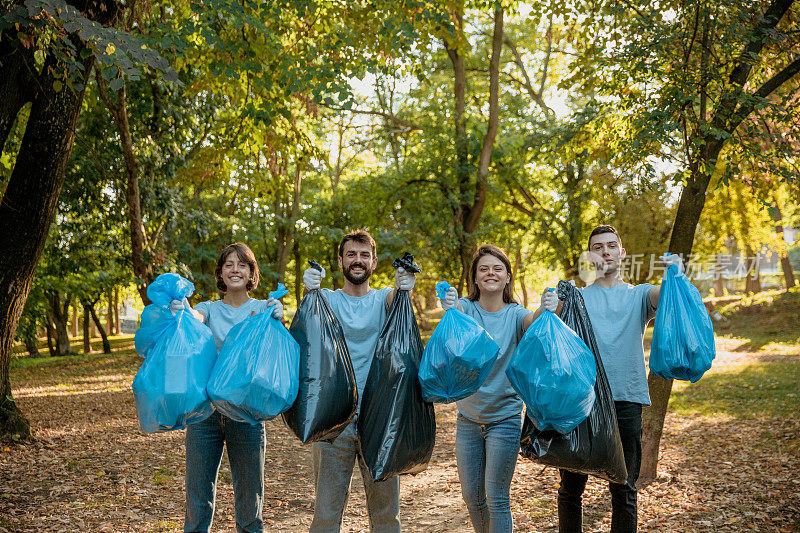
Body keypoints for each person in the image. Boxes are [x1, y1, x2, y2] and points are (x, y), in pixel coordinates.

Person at [541, 225, 684, 533]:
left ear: (622, 253)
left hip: (626, 400)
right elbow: (548, 331)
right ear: (590, 256)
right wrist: (548, 308)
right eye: (597, 247)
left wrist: (676, 275)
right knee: (570, 491)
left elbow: (667, 297)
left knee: (624, 489)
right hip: (581, 404)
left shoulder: (640, 294)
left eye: (610, 246)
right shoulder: (575, 298)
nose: (604, 252)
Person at [302, 229, 416, 533]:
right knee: (326, 514)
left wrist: (404, 287)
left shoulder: (383, 299)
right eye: (351, 254)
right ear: (340, 261)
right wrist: (309, 288)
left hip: (379, 422)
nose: (358, 260)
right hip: (333, 424)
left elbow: (397, 300)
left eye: (364, 255)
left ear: (374, 262)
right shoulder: (326, 299)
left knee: (386, 517)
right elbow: (308, 320)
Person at [169, 242, 285, 533]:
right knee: (198, 498)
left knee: (249, 500)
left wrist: (277, 311)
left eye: (242, 265)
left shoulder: (260, 308)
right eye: (229, 265)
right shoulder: (208, 308)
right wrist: (184, 311)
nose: (235, 270)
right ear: (220, 272)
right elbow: (197, 319)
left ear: (250, 272)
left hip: (246, 414)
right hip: (205, 415)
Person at [438, 244, 546, 533]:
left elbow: (533, 321)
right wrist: (448, 303)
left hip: (505, 419)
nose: (490, 273)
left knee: (496, 498)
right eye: (483, 268)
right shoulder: (467, 308)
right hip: (468, 419)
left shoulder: (516, 314)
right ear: (474, 277)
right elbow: (454, 309)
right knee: (472, 498)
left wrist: (548, 307)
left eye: (497, 268)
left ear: (508, 277)